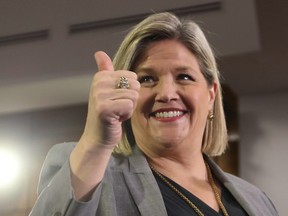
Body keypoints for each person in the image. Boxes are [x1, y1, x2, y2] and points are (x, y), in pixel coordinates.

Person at [29, 12, 278, 216]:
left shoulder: (257, 200)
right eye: (147, 79)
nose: (166, 93)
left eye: (184, 77)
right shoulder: (96, 175)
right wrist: (95, 144)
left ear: (211, 94)